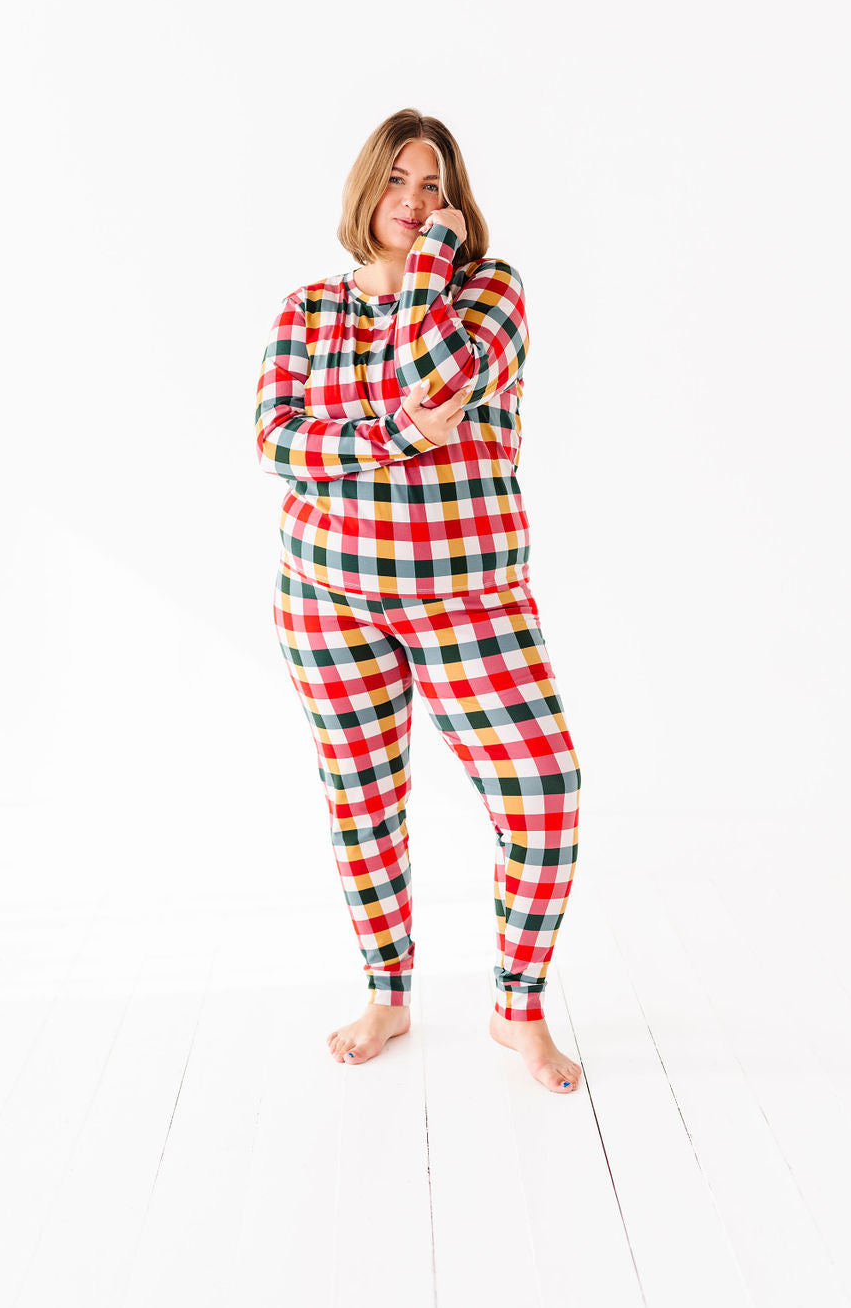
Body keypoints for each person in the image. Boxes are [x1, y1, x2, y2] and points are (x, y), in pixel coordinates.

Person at [254, 108, 583, 1094]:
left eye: (433, 186)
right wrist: (394, 435)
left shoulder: (489, 292)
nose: (412, 199)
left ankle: (516, 1007)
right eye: (397, 180)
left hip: (468, 597)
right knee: (364, 800)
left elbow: (434, 375)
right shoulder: (309, 309)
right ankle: (387, 993)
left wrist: (434, 259)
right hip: (328, 596)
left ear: (455, 205)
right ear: (367, 188)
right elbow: (279, 440)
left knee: (544, 791)